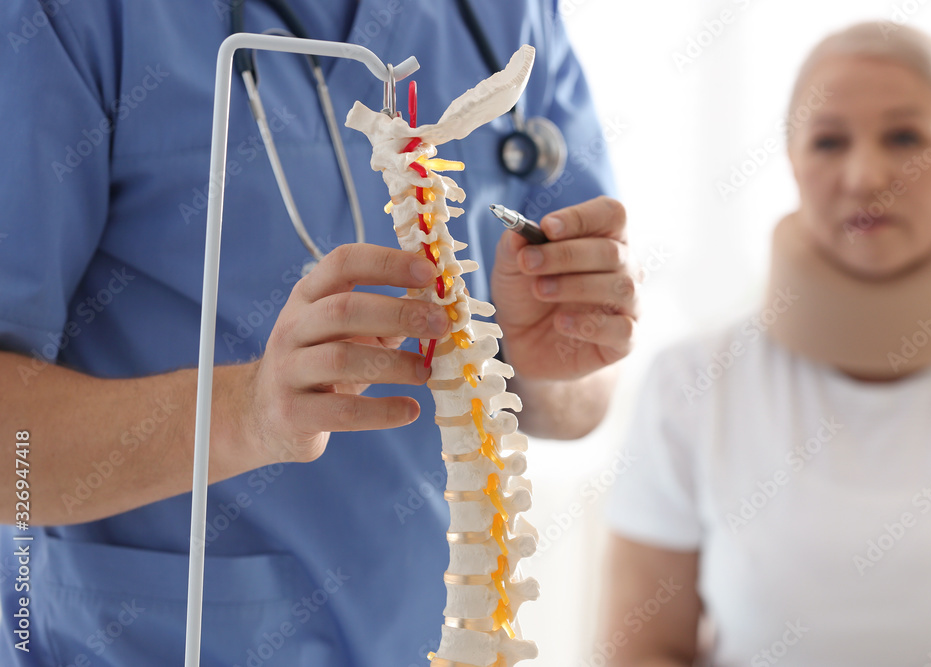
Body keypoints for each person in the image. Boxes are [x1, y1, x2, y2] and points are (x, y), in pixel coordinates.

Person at [0, 1, 638, 665]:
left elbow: (583, 397)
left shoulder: (509, 14)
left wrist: (552, 344)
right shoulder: (73, 19)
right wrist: (245, 412)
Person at [601, 22, 931, 666]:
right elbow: (640, 650)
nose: (867, 176)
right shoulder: (690, 385)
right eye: (828, 141)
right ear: (790, 162)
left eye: (904, 137)